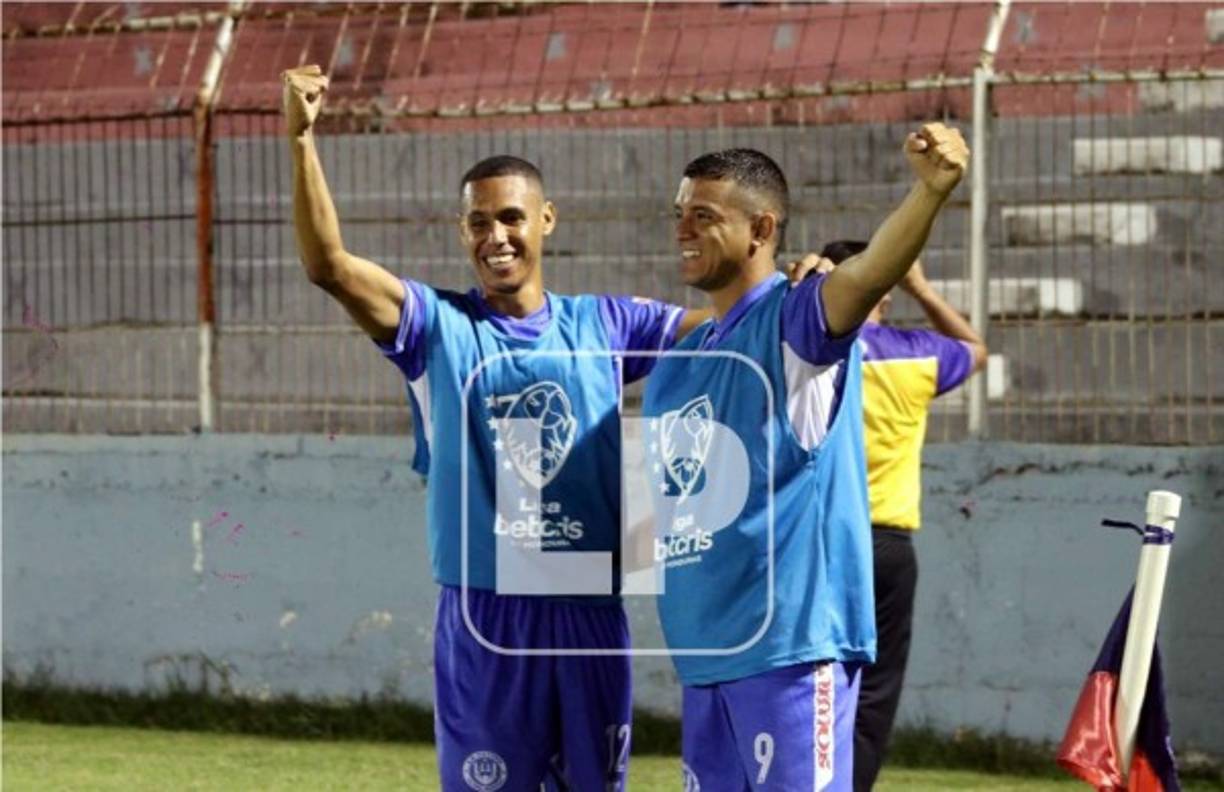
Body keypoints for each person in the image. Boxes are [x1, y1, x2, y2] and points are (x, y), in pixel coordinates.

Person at [282, 64, 709, 791]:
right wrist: (300, 138)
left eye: (511, 217)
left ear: (546, 219)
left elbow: (727, 329)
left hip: (588, 601)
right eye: (479, 222)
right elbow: (328, 266)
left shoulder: (607, 323)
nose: (496, 236)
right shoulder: (437, 326)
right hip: (486, 609)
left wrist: (802, 289)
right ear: (463, 231)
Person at [642, 124, 969, 791]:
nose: (683, 230)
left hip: (789, 652)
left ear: (761, 229)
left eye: (703, 216)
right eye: (679, 214)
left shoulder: (794, 325)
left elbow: (870, 271)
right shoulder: (683, 359)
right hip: (707, 656)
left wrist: (930, 191)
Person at [815, 242, 987, 792]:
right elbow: (976, 349)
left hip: (818, 542)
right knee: (875, 690)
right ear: (885, 288)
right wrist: (924, 289)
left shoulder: (810, 349)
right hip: (888, 546)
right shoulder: (916, 356)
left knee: (812, 677)